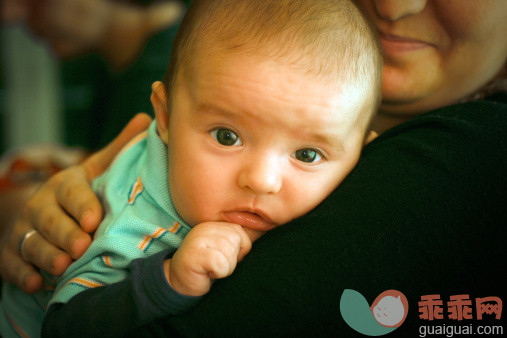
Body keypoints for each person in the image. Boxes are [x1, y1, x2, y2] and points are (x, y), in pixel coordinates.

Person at [0, 0, 505, 336]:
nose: (261, 180)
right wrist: (165, 280)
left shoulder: (474, 155)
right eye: (226, 137)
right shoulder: (135, 218)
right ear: (167, 117)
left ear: (364, 149)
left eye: (308, 155)